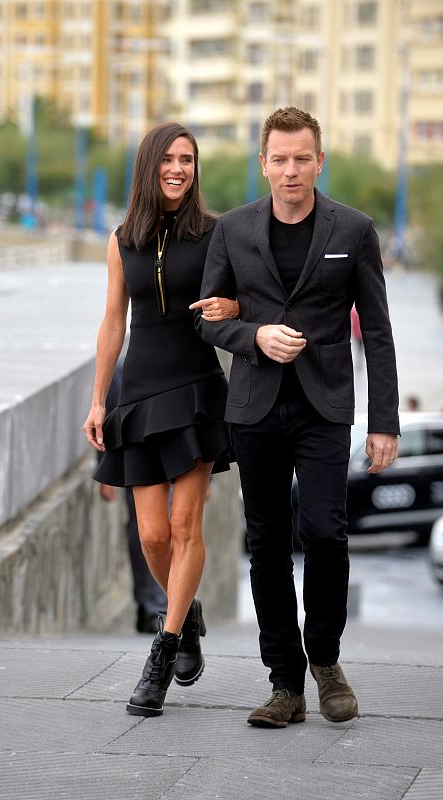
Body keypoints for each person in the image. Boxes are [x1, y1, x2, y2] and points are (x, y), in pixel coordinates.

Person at [193, 107, 400, 728]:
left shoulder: (354, 229)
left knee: (327, 533)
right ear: (264, 163)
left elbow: (381, 334)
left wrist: (384, 422)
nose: (291, 170)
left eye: (302, 158)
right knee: (266, 545)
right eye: (279, 159)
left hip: (325, 406)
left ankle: (327, 661)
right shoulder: (232, 230)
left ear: (319, 161)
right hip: (254, 406)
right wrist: (255, 336)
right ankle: (284, 682)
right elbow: (206, 319)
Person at [83, 122, 238, 717]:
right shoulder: (123, 238)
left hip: (197, 390)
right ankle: (187, 609)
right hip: (139, 395)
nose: (179, 169)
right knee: (150, 533)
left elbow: (244, 296)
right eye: (169, 159)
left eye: (189, 160)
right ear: (149, 167)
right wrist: (99, 400)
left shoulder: (218, 234)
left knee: (183, 525)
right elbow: (112, 323)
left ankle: (162, 651)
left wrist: (234, 305)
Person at [97, 361, 166, 635]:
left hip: (178, 460)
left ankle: (167, 607)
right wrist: (105, 469)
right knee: (144, 535)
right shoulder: (123, 368)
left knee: (176, 532)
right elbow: (107, 418)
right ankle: (151, 607)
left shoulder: (190, 354)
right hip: (136, 460)